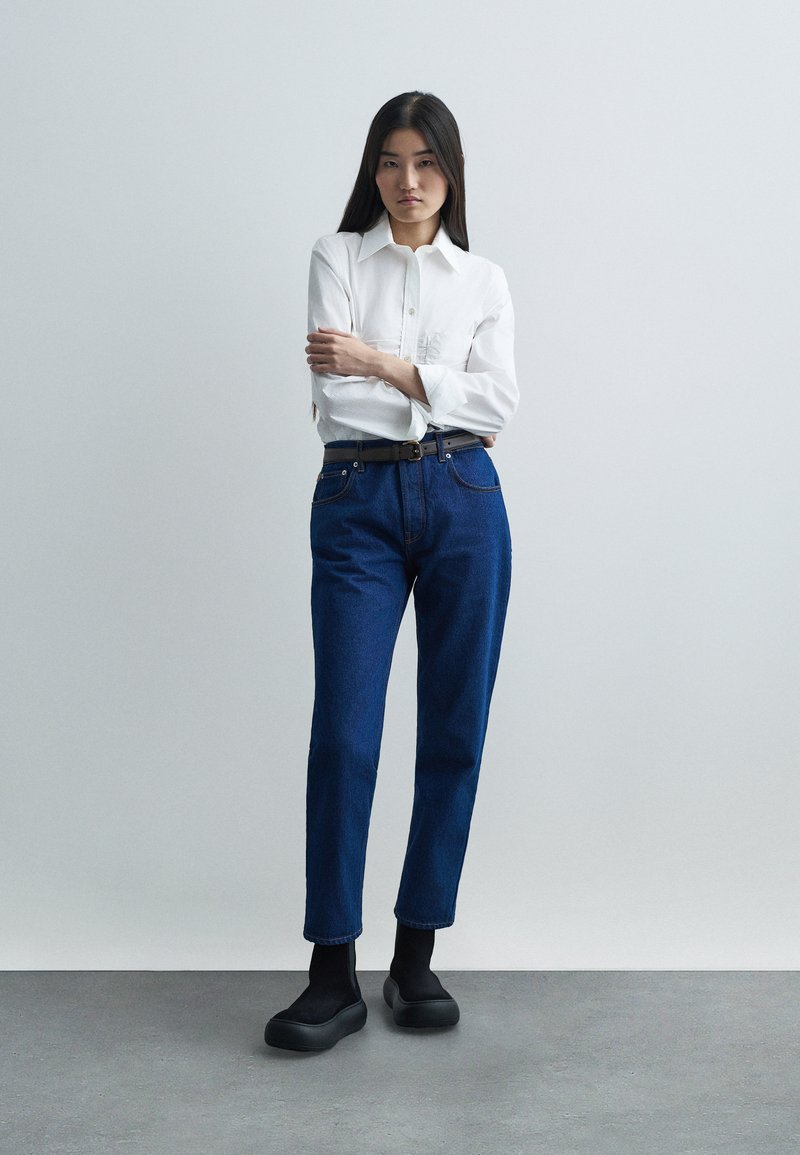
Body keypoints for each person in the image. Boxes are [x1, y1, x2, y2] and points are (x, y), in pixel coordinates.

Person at [265, 90, 519, 1053]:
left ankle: (415, 958)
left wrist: (381, 361)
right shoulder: (336, 257)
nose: (407, 181)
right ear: (371, 169)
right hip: (357, 499)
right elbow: (337, 396)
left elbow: (500, 404)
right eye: (389, 161)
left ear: (451, 172)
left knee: (455, 728)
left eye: (425, 162)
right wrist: (438, 387)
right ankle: (332, 974)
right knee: (345, 734)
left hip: (466, 499)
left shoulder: (484, 278)